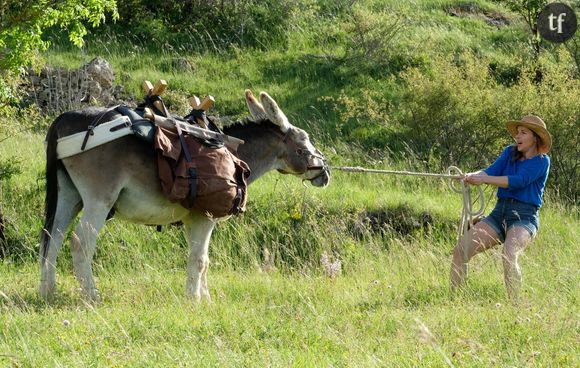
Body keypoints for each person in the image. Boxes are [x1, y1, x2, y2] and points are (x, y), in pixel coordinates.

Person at [450, 115, 552, 299]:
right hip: (499, 213)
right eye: (517, 133)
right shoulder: (509, 152)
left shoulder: (542, 161)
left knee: (509, 253)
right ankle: (454, 300)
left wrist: (484, 179)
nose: (517, 137)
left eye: (523, 133)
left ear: (535, 137)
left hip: (525, 217)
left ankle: (514, 308)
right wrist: (471, 175)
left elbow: (519, 181)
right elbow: (490, 171)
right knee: (460, 250)